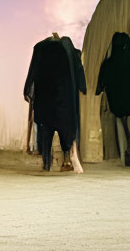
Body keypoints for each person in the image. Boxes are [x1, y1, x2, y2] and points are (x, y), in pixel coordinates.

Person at [23, 32, 87, 172]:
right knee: (66, 133)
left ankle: (46, 164)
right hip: (65, 101)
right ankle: (66, 161)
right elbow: (79, 72)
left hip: (45, 101)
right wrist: (82, 87)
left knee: (45, 133)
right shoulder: (70, 52)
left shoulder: (41, 49)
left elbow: (33, 70)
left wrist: (28, 90)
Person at [95, 31, 130, 167]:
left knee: (122, 117)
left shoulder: (110, 62)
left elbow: (102, 78)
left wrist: (99, 90)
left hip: (117, 97)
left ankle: (129, 140)